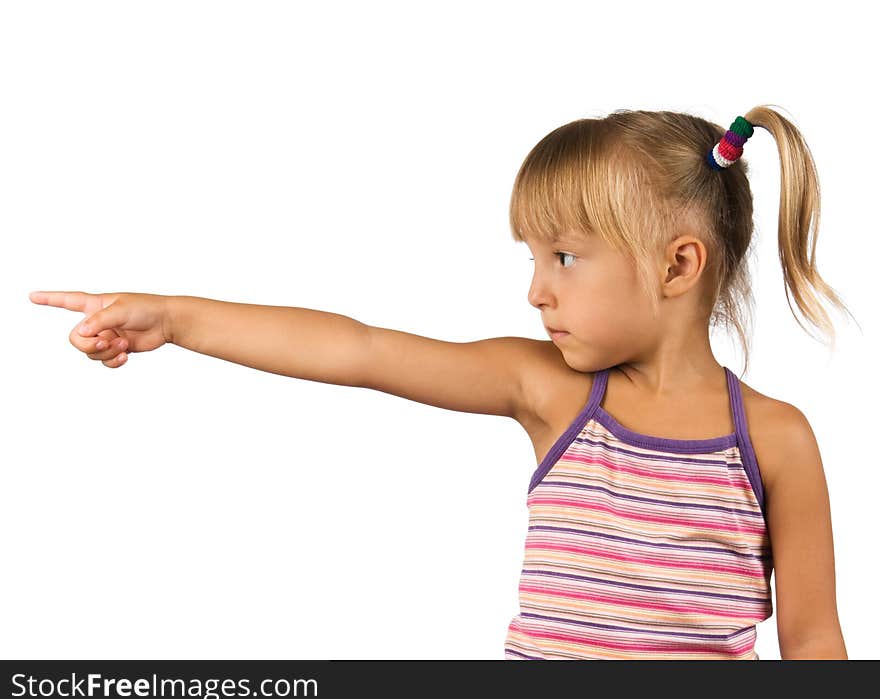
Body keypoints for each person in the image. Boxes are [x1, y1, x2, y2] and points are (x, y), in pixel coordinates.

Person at [29, 105, 851, 660]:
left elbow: (815, 645)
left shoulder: (774, 440)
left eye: (563, 257)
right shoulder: (553, 393)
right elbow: (359, 348)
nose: (537, 290)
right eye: (531, 260)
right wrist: (176, 319)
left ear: (678, 264)